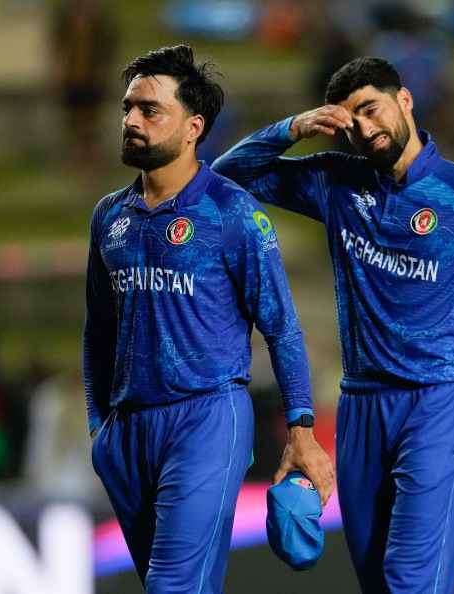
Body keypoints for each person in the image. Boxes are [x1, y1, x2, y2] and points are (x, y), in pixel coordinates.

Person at [213, 56, 454, 593]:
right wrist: (292, 128)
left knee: (411, 581)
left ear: (404, 100)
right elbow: (224, 179)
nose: (364, 128)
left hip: (435, 405)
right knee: (377, 582)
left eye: (371, 109)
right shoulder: (337, 184)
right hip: (359, 406)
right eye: (350, 119)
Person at [82, 45, 332, 593]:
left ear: (193, 127)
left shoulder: (233, 213)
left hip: (206, 420)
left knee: (173, 586)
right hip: (126, 432)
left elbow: (282, 327)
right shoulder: (109, 217)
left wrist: (303, 430)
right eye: (128, 108)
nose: (130, 121)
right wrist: (99, 425)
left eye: (150, 111)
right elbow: (97, 328)